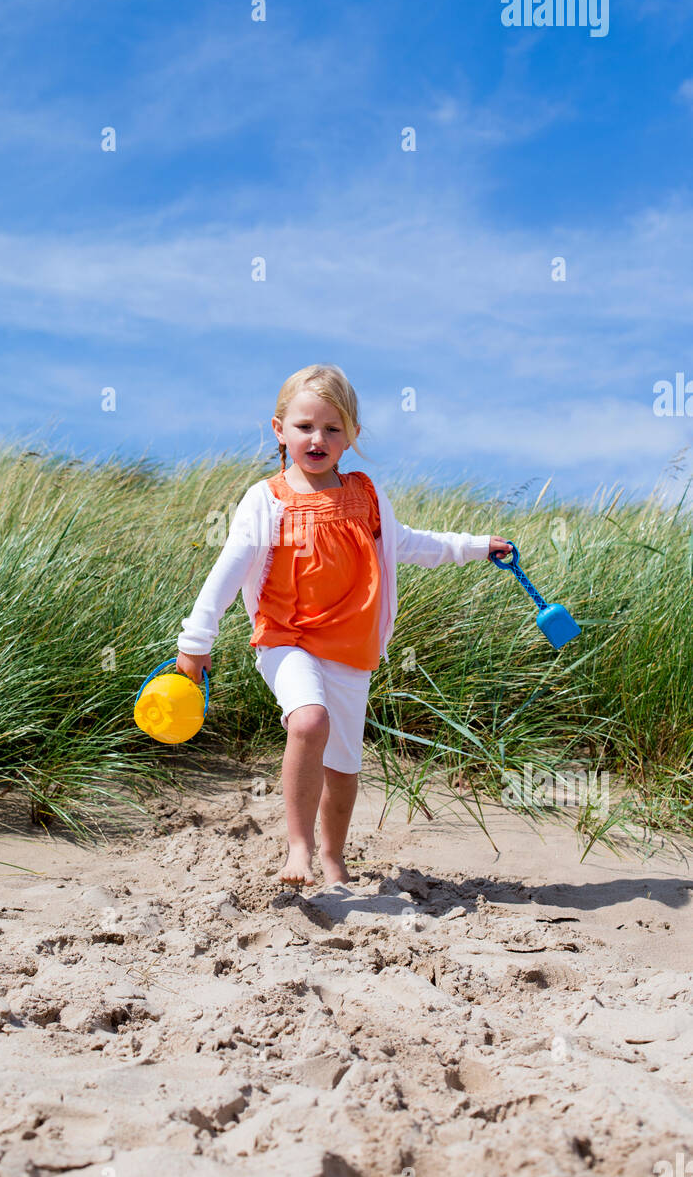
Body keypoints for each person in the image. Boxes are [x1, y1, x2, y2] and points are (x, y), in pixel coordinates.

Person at [175, 364, 512, 888]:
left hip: (351, 649)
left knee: (344, 766)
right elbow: (228, 568)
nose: (318, 439)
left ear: (352, 435)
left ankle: (334, 857)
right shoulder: (266, 500)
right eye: (306, 426)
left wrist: (475, 545)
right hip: (286, 638)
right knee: (308, 722)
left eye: (334, 429)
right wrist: (196, 642)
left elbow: (408, 544)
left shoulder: (366, 495)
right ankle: (299, 850)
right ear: (279, 429)